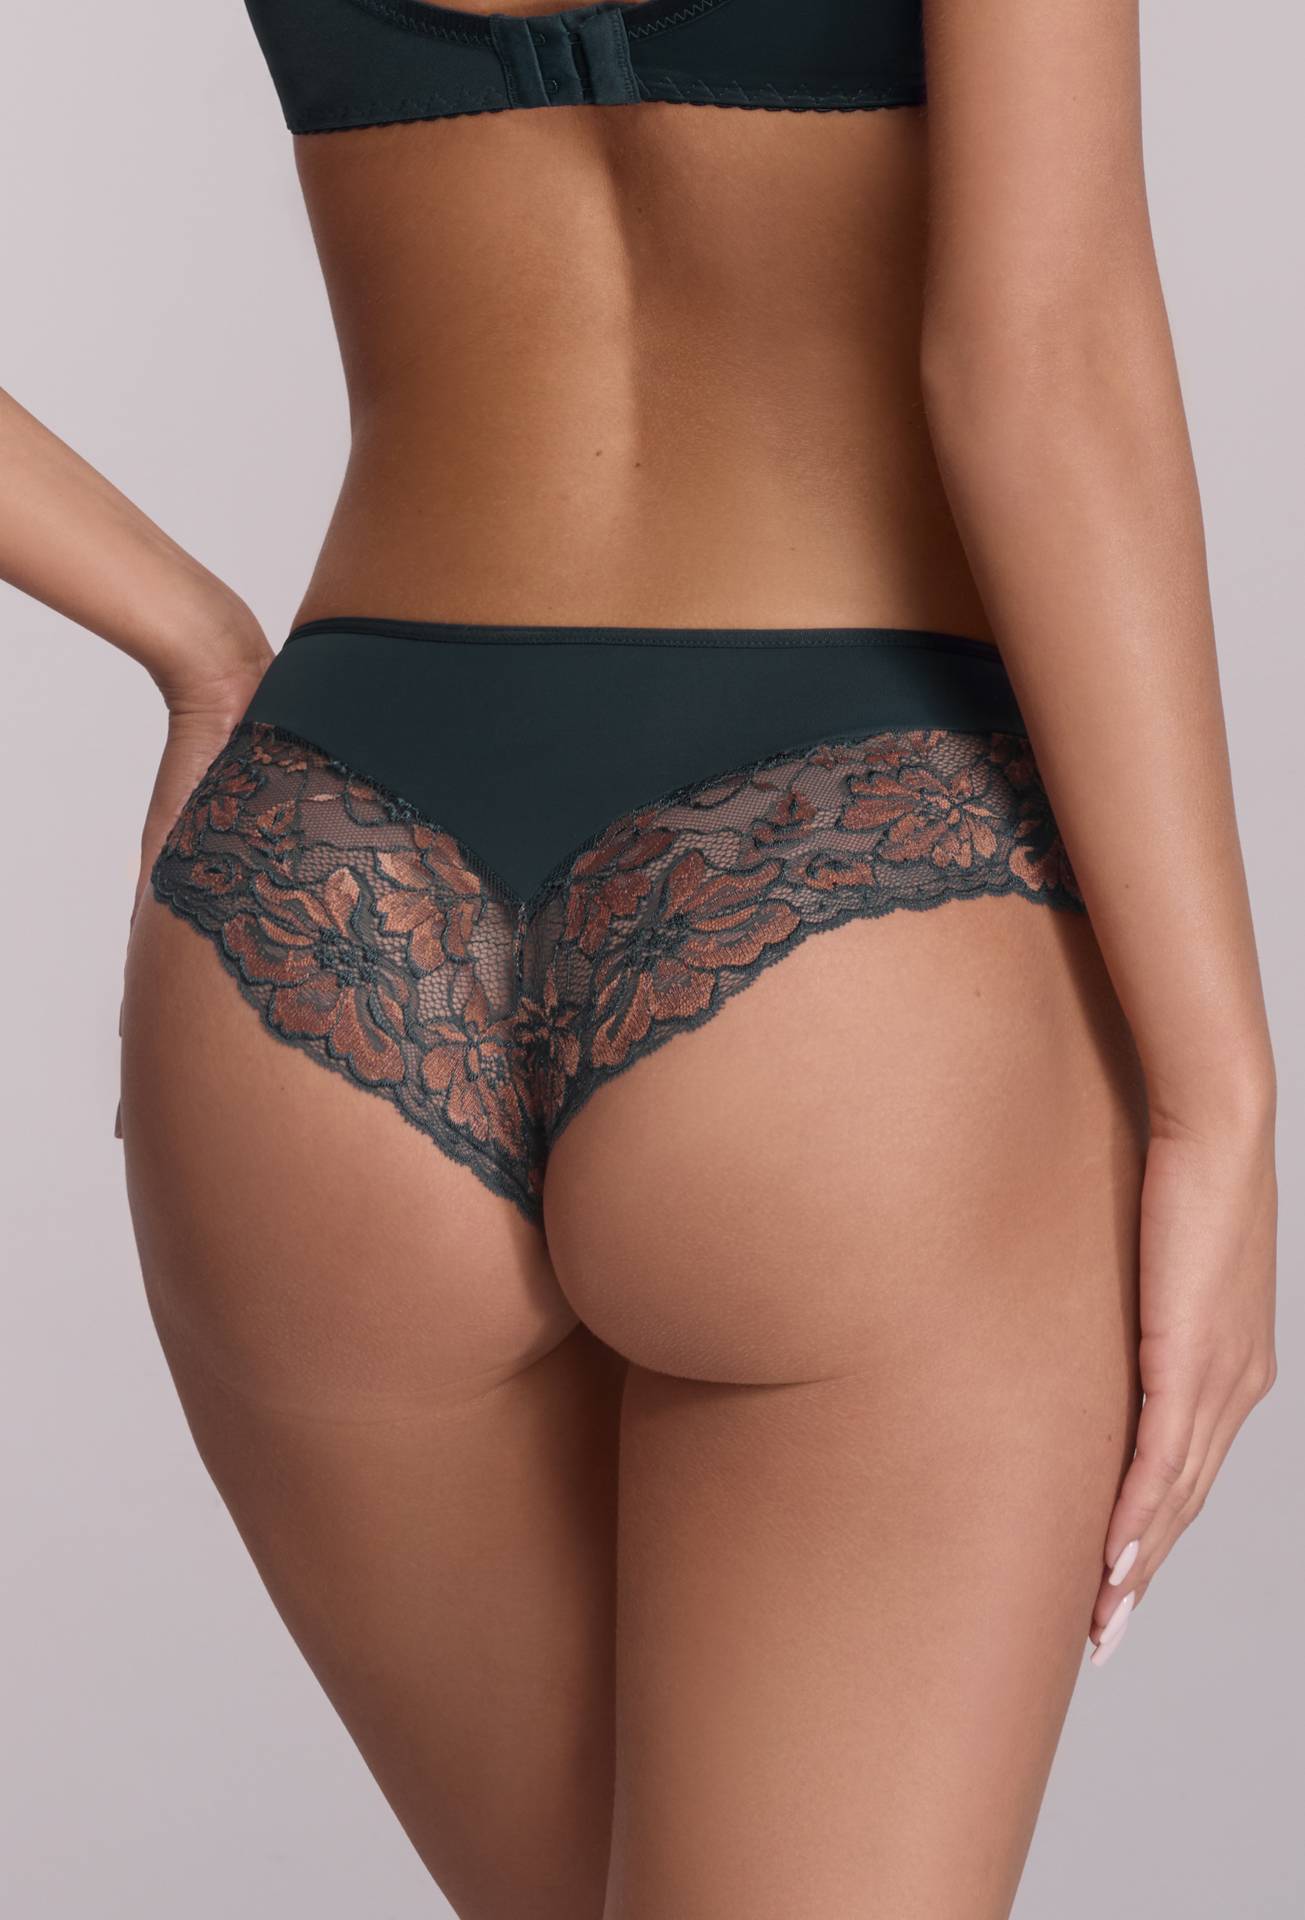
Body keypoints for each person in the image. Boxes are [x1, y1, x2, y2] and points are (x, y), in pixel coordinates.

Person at [3, 0, 1278, 1912]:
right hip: (855, 902)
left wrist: (195, 640)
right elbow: (1033, 360)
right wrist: (1216, 1095)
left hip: (315, 890)